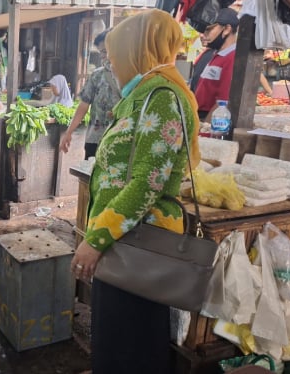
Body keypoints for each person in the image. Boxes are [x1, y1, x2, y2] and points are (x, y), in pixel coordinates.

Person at [70, 9, 201, 374]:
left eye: (114, 58)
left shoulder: (162, 96)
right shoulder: (141, 95)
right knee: (115, 339)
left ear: (138, 51)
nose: (111, 66)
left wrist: (95, 240)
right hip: (123, 241)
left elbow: (147, 182)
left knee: (131, 345)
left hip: (138, 244)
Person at [59, 29, 121, 159]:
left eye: (105, 51)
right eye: (101, 52)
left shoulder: (130, 76)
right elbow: (83, 106)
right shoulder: (97, 75)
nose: (103, 56)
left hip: (120, 140)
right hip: (94, 140)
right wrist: (69, 132)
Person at [194, 7, 239, 122]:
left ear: (227, 29)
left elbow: (223, 103)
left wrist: (204, 130)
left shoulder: (232, 58)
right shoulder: (216, 54)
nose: (203, 35)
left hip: (207, 119)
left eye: (208, 30)